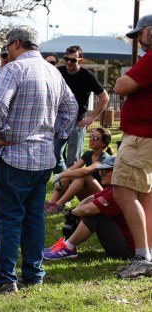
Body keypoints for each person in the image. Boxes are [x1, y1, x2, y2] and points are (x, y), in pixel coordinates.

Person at [0, 26, 77, 293]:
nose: (7, 51)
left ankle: (4, 278)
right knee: (34, 218)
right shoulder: (53, 71)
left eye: (8, 46)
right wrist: (56, 135)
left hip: (16, 156)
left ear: (16, 43)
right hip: (44, 159)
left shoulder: (13, 69)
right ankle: (33, 273)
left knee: (8, 218)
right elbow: (71, 107)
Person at [111, 14, 152, 280]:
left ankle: (142, 257)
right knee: (145, 196)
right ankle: (147, 253)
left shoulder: (151, 59)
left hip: (140, 138)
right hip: (146, 138)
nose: (137, 38)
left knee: (123, 193)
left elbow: (120, 86)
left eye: (141, 32)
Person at [44, 156, 135, 261]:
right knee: (91, 207)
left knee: (94, 212)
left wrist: (72, 213)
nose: (101, 174)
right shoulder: (113, 188)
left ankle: (68, 247)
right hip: (126, 243)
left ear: (118, 172)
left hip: (128, 251)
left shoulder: (119, 193)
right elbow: (91, 198)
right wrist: (76, 211)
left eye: (104, 171)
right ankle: (65, 244)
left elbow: (87, 210)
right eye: (100, 171)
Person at [53, 45, 110, 174]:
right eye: (66, 58)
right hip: (60, 121)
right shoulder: (58, 72)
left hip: (78, 122)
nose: (68, 62)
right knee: (54, 155)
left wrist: (92, 117)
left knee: (73, 160)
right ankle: (63, 180)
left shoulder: (87, 76)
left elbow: (104, 97)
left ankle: (68, 185)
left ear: (80, 60)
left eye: (73, 60)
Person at [46, 128, 113, 214]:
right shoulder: (89, 154)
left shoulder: (105, 157)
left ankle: (59, 205)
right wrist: (61, 175)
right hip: (89, 197)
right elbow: (73, 168)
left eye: (95, 138)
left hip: (102, 197)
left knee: (83, 176)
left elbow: (86, 171)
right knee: (68, 175)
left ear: (103, 143)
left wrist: (61, 175)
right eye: (91, 136)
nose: (91, 139)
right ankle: (50, 204)